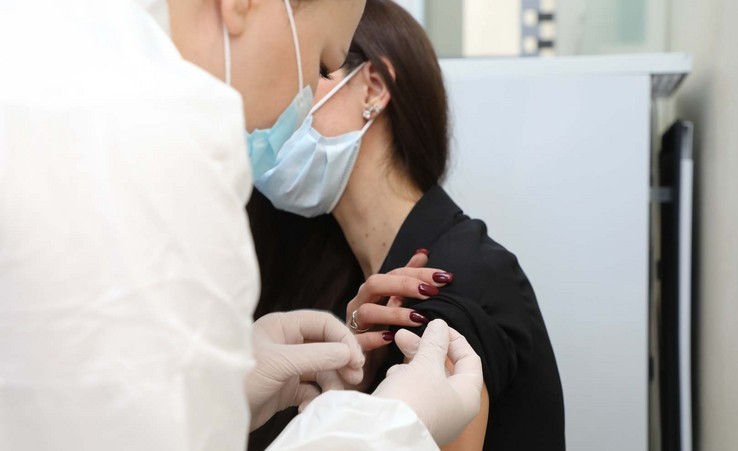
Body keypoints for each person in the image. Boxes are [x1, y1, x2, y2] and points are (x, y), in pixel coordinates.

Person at [0, 0, 483, 450]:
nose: (297, 110)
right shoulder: (146, 148)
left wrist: (219, 390)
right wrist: (390, 426)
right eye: (320, 63)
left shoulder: (57, 71)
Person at [247, 1, 565, 450]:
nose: (285, 95)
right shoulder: (339, 286)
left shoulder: (455, 277)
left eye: (318, 68)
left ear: (374, 89)